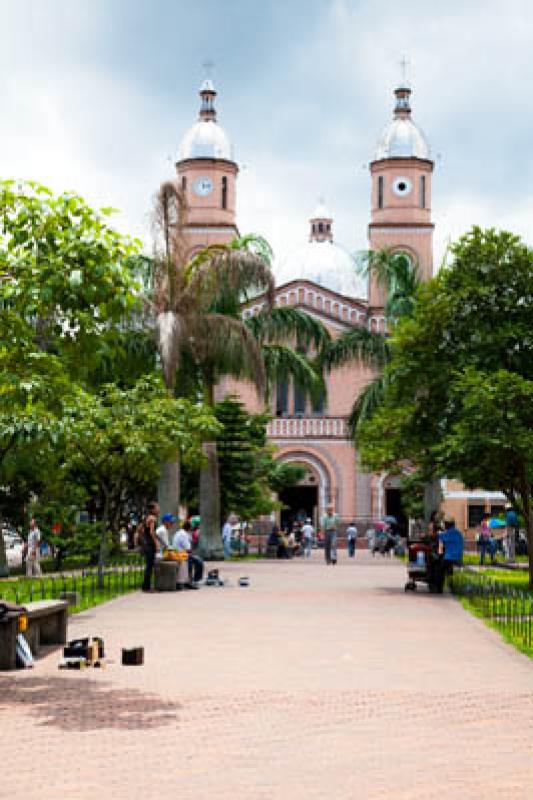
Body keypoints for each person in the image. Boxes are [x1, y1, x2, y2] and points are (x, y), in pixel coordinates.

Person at [434, 516, 464, 592]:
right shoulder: (458, 533)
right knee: (449, 571)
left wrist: (438, 532)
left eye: (445, 524)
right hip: (458, 556)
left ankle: (439, 589)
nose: (444, 525)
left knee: (440, 570)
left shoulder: (449, 533)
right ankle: (451, 586)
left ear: (448, 524)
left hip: (450, 557)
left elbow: (438, 536)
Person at [173, 521, 204, 586]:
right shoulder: (184, 534)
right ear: (189, 528)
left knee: (195, 559)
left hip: (179, 553)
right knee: (199, 561)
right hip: (181, 555)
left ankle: (191, 580)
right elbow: (188, 549)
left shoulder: (180, 532)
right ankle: (195, 580)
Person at [139, 501, 159, 592]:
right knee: (150, 566)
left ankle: (145, 586)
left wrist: (143, 540)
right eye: (157, 507)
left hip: (146, 544)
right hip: (150, 544)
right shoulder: (152, 518)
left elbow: (140, 529)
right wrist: (157, 544)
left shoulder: (146, 518)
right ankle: (147, 587)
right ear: (152, 509)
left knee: (149, 565)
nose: (158, 509)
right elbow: (152, 532)